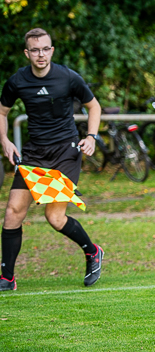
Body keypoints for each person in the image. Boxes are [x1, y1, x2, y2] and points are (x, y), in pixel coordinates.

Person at [0, 28, 104, 291]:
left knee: (55, 217)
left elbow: (94, 106)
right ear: (27, 53)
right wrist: (5, 140)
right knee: (13, 212)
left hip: (65, 152)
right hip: (34, 154)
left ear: (52, 50)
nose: (41, 54)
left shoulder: (68, 77)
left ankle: (92, 251)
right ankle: (7, 278)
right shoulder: (17, 81)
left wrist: (91, 136)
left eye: (45, 49)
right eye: (35, 50)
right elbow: (2, 112)